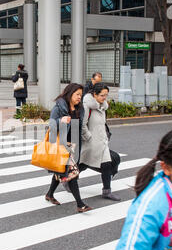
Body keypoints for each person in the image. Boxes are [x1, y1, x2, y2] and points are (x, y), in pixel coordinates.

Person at [45, 83, 92, 213]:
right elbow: (52, 126)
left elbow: (80, 127)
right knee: (72, 174)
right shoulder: (59, 107)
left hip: (74, 145)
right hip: (62, 145)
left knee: (60, 171)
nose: (79, 97)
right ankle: (80, 204)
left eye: (80, 95)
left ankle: (49, 194)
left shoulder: (79, 108)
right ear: (69, 93)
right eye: (77, 94)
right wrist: (61, 121)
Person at [79, 83, 120, 201]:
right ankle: (68, 180)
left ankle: (106, 191)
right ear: (94, 94)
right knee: (83, 164)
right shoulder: (87, 106)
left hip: (102, 141)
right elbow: (82, 124)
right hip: (91, 142)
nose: (104, 98)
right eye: (102, 95)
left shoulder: (102, 106)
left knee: (107, 164)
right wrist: (89, 137)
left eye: (106, 95)